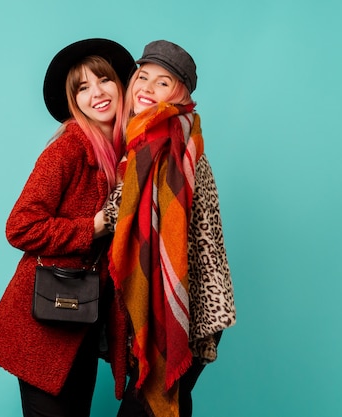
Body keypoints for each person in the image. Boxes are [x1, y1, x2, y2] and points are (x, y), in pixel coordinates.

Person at [0, 38, 135, 417]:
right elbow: (20, 227)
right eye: (83, 88)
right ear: (73, 101)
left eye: (103, 80)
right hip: (44, 323)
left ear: (120, 85)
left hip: (83, 320)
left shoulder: (126, 152)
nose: (96, 93)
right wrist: (93, 227)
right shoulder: (68, 149)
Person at [103, 40, 237, 417]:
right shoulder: (145, 140)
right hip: (168, 302)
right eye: (142, 76)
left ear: (180, 94)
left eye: (162, 82)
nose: (146, 87)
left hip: (187, 307)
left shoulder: (168, 145)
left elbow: (118, 215)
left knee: (152, 406)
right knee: (167, 406)